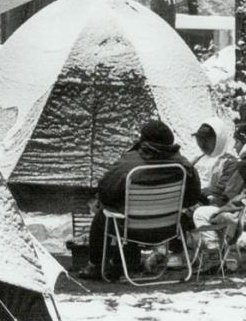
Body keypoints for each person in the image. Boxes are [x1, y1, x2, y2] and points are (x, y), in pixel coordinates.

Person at [84, 119, 201, 279]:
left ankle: (96, 267)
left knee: (104, 216)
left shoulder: (129, 162)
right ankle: (125, 262)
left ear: (143, 139)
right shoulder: (183, 165)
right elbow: (192, 197)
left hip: (131, 229)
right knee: (127, 211)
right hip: (168, 229)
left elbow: (105, 192)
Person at [192, 122, 246, 269]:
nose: (234, 146)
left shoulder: (244, 166)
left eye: (237, 142)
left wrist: (205, 198)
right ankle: (223, 255)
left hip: (244, 213)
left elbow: (228, 196)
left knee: (201, 213)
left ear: (245, 143)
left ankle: (214, 255)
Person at [191, 118, 238, 196]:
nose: (203, 144)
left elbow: (221, 189)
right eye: (200, 140)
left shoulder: (229, 162)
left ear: (219, 140)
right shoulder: (198, 159)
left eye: (207, 141)